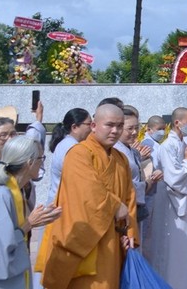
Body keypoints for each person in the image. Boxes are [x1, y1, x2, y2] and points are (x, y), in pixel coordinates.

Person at [39, 104, 137, 289]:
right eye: (109, 125)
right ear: (93, 125)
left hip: (114, 238)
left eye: (120, 125)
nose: (115, 131)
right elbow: (87, 192)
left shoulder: (121, 158)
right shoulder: (78, 153)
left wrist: (130, 232)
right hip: (86, 238)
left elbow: (129, 198)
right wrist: (115, 206)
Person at [0, 136, 60, 289]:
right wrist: (29, 224)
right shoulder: (1, 196)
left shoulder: (17, 192)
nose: (42, 162)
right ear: (29, 162)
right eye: (41, 158)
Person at [150, 108, 187, 289]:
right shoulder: (168, 145)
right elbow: (173, 178)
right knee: (174, 246)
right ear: (177, 123)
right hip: (172, 202)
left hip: (184, 199)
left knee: (185, 247)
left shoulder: (180, 143)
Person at [46, 108, 92, 202]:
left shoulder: (67, 143)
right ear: (74, 127)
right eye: (89, 124)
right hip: (63, 205)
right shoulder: (72, 147)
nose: (92, 128)